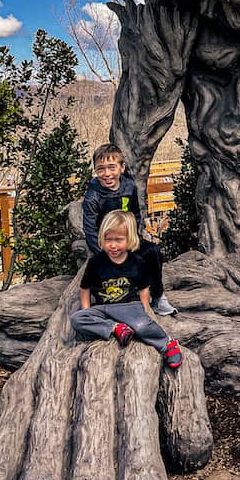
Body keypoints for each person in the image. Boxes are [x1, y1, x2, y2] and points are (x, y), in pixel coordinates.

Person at [70, 210, 183, 367]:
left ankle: (167, 344)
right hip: (103, 308)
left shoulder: (137, 262)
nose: (113, 245)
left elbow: (144, 288)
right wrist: (87, 311)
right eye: (108, 240)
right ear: (101, 239)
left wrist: (145, 310)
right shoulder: (96, 262)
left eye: (119, 240)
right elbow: (85, 288)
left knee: (142, 326)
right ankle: (116, 328)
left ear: (129, 239)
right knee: (77, 319)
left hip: (129, 307)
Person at [82, 143, 177, 315]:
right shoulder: (93, 196)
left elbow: (135, 215)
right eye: (101, 169)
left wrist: (134, 239)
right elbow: (90, 230)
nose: (107, 174)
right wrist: (104, 253)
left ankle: (157, 297)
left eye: (112, 167)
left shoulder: (129, 187)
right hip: (107, 245)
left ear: (122, 167)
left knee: (153, 251)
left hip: (127, 239)